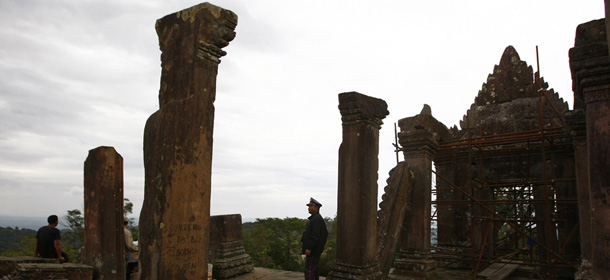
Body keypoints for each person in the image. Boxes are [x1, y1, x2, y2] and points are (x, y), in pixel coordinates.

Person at [301, 197, 328, 280]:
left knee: (309, 271)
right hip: (313, 251)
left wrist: (309, 248)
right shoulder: (314, 218)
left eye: (310, 206)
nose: (308, 208)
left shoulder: (316, 219)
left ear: (315, 207)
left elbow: (315, 236)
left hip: (313, 251)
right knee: (314, 270)